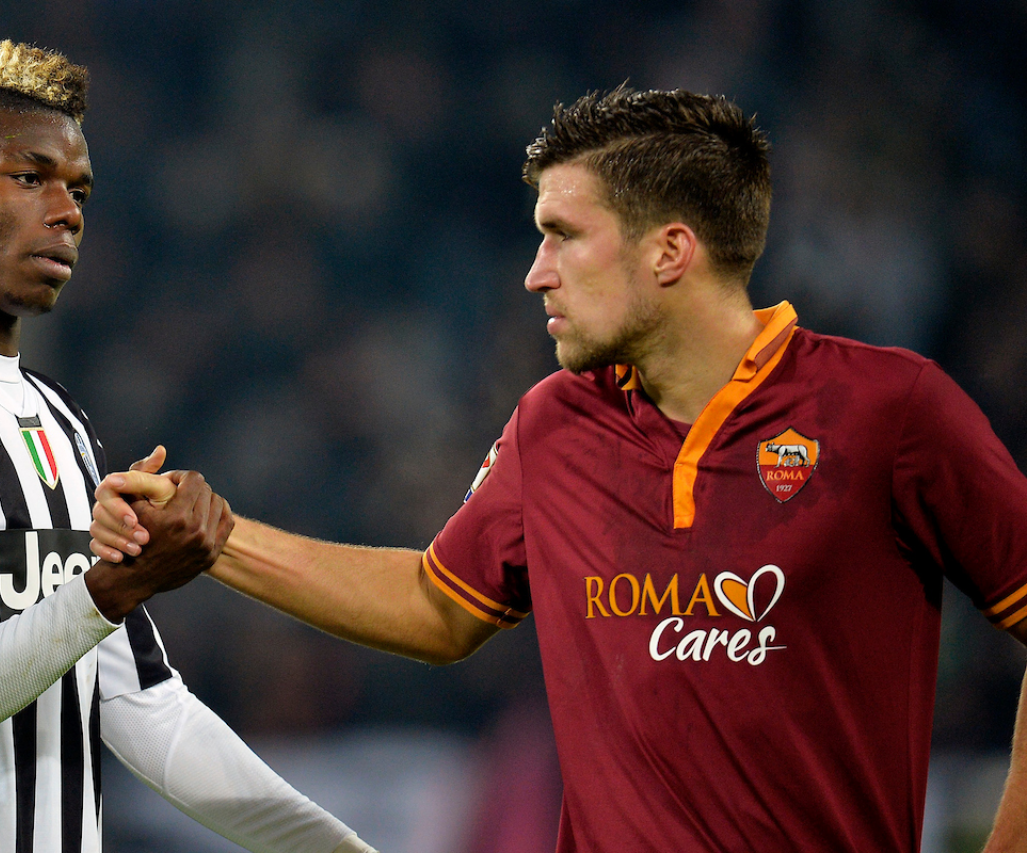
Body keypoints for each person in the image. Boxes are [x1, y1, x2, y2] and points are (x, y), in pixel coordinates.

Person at [90, 85, 1027, 852]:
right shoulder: (557, 424)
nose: (536, 272)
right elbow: (437, 605)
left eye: (563, 236)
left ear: (670, 251)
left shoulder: (889, 411)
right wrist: (213, 536)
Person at [0, 41, 377, 853]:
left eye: (79, 190)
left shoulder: (62, 424)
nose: (66, 211)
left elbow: (145, 707)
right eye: (30, 178)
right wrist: (110, 589)